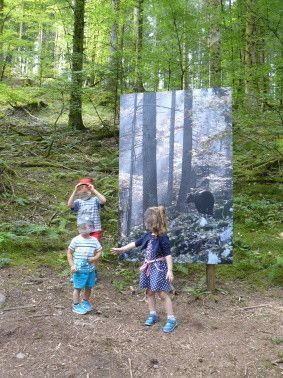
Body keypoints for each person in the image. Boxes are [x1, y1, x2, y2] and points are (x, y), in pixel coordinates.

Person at [111, 206, 177, 333]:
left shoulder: (163, 238)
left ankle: (171, 319)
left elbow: (168, 254)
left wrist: (170, 270)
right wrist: (122, 249)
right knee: (149, 292)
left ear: (155, 222)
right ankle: (153, 314)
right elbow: (135, 243)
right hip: (149, 267)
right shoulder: (148, 235)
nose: (146, 224)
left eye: (149, 222)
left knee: (162, 293)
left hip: (159, 268)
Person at [67, 223, 102, 314]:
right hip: (79, 270)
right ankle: (76, 305)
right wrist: (72, 265)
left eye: (87, 228)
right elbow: (69, 253)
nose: (85, 230)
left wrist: (94, 258)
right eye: (82, 228)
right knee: (78, 287)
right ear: (79, 229)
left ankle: (85, 301)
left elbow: (99, 251)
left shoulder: (94, 240)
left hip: (90, 269)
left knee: (89, 286)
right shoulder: (76, 240)